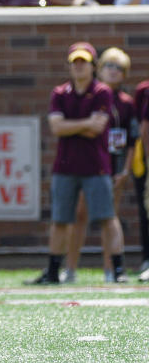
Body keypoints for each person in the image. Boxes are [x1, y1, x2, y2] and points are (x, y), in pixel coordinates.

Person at [28, 42, 126, 284]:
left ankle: (118, 270)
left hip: (96, 165)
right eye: (75, 62)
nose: (79, 67)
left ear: (93, 66)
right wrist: (83, 124)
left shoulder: (102, 91)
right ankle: (53, 271)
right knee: (60, 219)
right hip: (66, 165)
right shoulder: (60, 93)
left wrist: (71, 126)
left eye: (84, 62)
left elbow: (97, 128)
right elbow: (56, 127)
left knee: (107, 217)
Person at [64, 47, 138, 283]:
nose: (114, 71)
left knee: (109, 216)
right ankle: (70, 268)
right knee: (79, 213)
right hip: (92, 161)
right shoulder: (92, 96)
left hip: (113, 164)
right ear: (100, 68)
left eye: (119, 68)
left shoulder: (127, 103)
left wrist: (125, 169)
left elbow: (131, 139)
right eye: (109, 66)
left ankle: (112, 270)